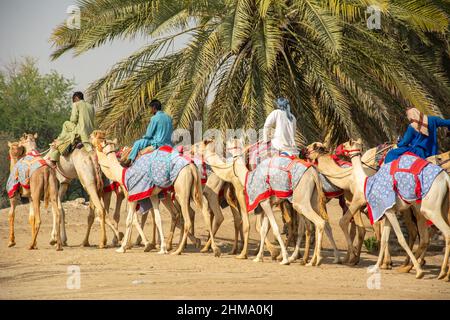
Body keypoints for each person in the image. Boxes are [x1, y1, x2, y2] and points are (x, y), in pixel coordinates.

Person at [384, 107, 450, 163]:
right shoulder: (433, 119)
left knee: (391, 154)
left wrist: (397, 145)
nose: (408, 117)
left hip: (419, 152)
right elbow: (447, 122)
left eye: (408, 115)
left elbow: (405, 142)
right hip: (433, 150)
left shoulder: (412, 127)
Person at [47, 91, 95, 166]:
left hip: (81, 131)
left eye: (73, 100)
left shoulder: (76, 104)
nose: (73, 102)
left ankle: (59, 140)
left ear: (76, 98)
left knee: (66, 123)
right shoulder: (91, 106)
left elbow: (73, 119)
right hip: (91, 132)